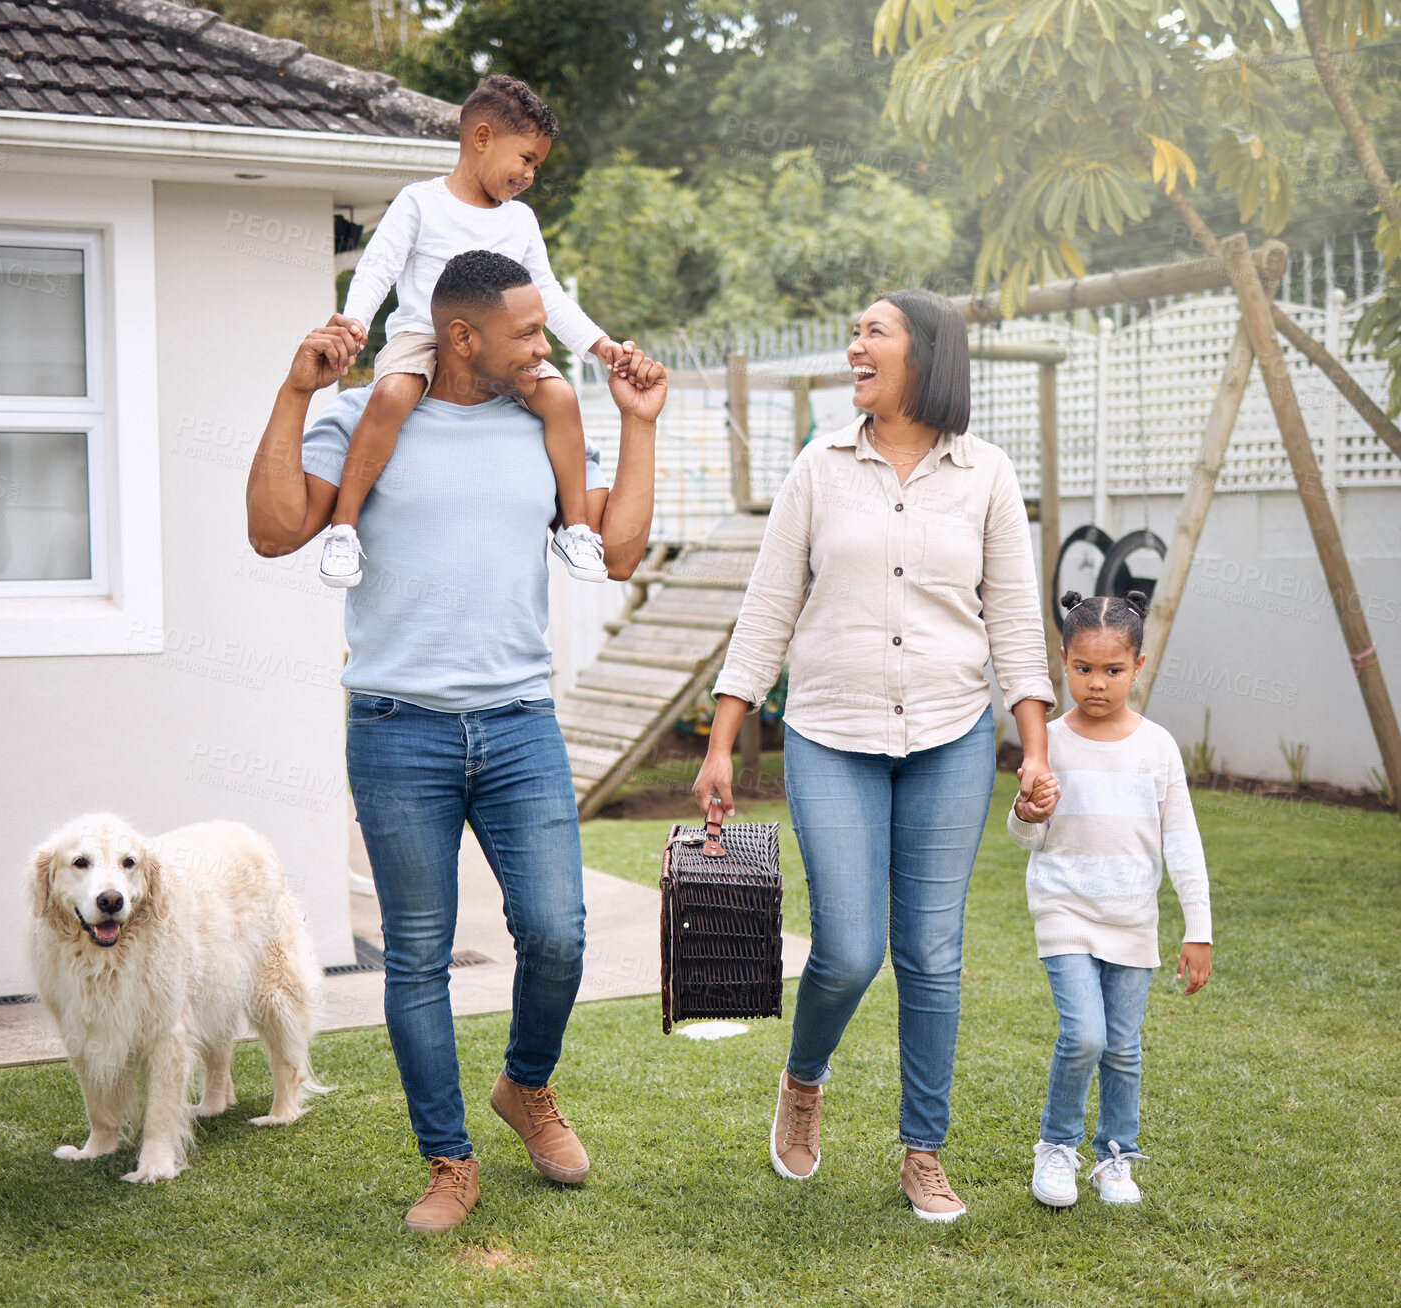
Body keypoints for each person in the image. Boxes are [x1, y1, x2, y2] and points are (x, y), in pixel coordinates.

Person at [244, 249, 666, 1233]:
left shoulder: (543, 421)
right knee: (419, 957)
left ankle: (526, 1088)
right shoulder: (368, 417)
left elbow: (618, 551)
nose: (546, 346)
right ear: (464, 337)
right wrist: (294, 396)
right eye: (528, 332)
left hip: (520, 724)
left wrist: (639, 426)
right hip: (399, 732)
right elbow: (271, 531)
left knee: (557, 933)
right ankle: (448, 1159)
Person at [692, 289, 1057, 1223]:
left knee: (933, 955)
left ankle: (922, 1150)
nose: (854, 347)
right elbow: (768, 608)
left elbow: (1015, 621)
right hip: (831, 732)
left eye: (872, 334)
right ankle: (804, 1079)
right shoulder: (819, 468)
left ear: (926, 356)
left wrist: (1035, 747)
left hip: (950, 735)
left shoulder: (987, 475)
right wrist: (723, 741)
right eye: (854, 333)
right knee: (850, 952)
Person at [321, 74, 629, 588]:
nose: (530, 174)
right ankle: (344, 528)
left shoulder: (521, 221)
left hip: (503, 349)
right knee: (393, 393)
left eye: (537, 165)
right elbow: (376, 268)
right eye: (526, 159)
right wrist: (355, 323)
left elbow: (548, 294)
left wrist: (600, 345)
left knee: (561, 399)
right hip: (424, 337)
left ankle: (575, 529)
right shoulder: (419, 203)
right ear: (481, 138)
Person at [1008, 589, 1212, 1210]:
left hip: (1132, 920)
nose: (1097, 685)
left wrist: (1197, 927)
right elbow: (1029, 834)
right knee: (1086, 1035)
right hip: (1064, 910)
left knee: (1123, 1047)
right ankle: (1057, 1146)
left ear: (1138, 667)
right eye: (1083, 669)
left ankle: (1115, 1157)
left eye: (1113, 671)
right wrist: (1026, 810)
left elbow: (1183, 842)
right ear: (1063, 663)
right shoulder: (1049, 741)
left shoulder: (1157, 749)